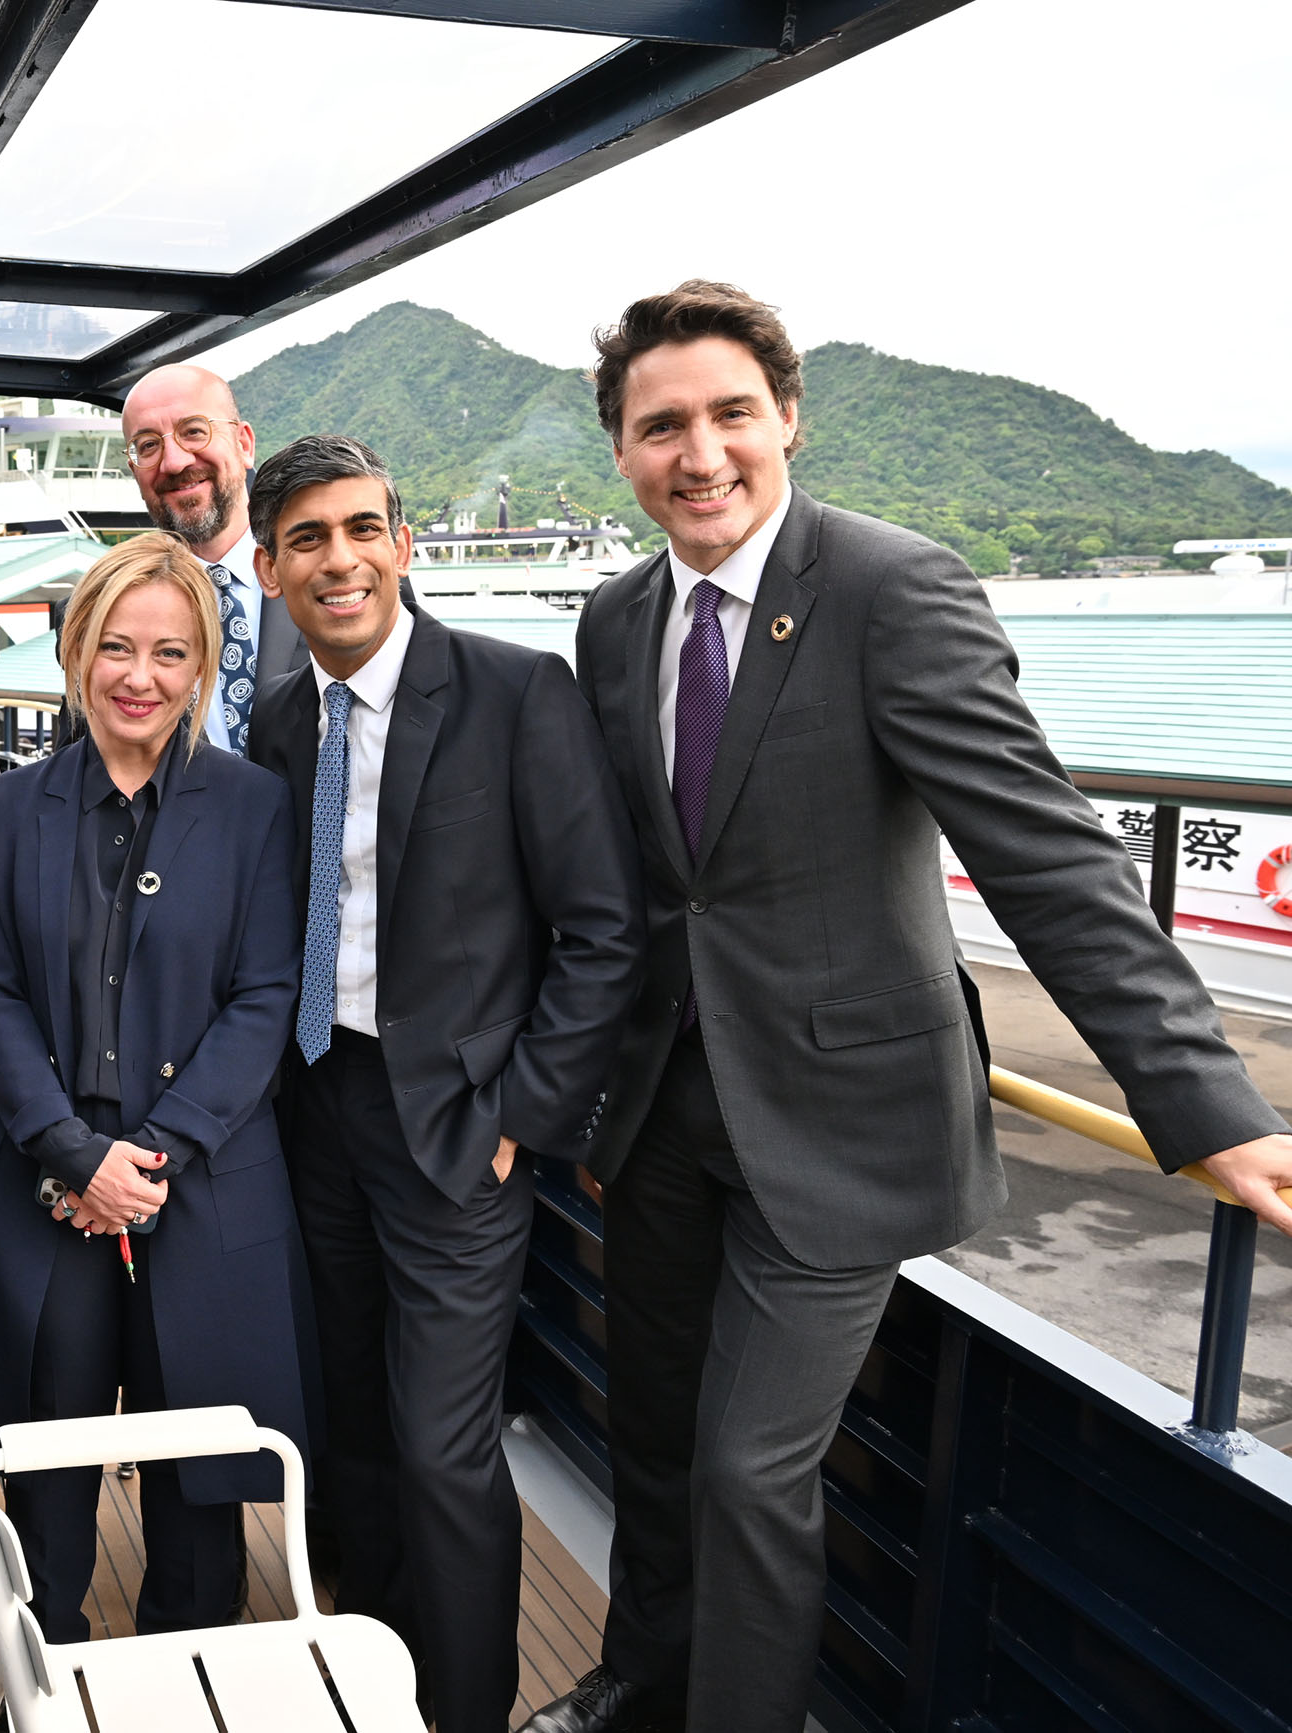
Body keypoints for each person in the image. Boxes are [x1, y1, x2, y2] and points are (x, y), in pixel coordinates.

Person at [524, 281, 1292, 1733]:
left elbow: (1044, 850)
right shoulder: (616, 619)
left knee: (752, 1467)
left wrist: (1206, 1102)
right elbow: (639, 885)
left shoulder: (892, 587)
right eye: (660, 426)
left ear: (789, 418)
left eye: (730, 415)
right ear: (619, 453)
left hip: (846, 1122)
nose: (701, 454)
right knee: (654, 1438)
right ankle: (642, 1681)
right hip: (663, 1114)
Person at [243, 435, 646, 1733]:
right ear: (268, 567)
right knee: (348, 1418)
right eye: (308, 538)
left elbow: (603, 930)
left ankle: (463, 1710)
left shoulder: (517, 693)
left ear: (404, 545)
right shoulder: (278, 716)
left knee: (443, 1444)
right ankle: (374, 1680)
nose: (340, 558)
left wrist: (526, 1113)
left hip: (463, 1127)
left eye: (363, 528)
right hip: (319, 1101)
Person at [0, 531, 308, 1642]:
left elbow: (265, 993)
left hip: (194, 1177)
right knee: (41, 1444)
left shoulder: (254, 806)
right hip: (42, 1179)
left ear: (200, 664)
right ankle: (43, 1655)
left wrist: (148, 1157)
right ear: (71, 651)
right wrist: (69, 1151)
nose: (138, 676)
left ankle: (189, 1654)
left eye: (168, 650)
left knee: (197, 1450)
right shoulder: (8, 811)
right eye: (113, 646)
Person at [119, 364, 306, 754]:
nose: (174, 462)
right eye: (148, 445)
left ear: (244, 444)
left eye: (193, 431)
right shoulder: (104, 615)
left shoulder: (332, 574)